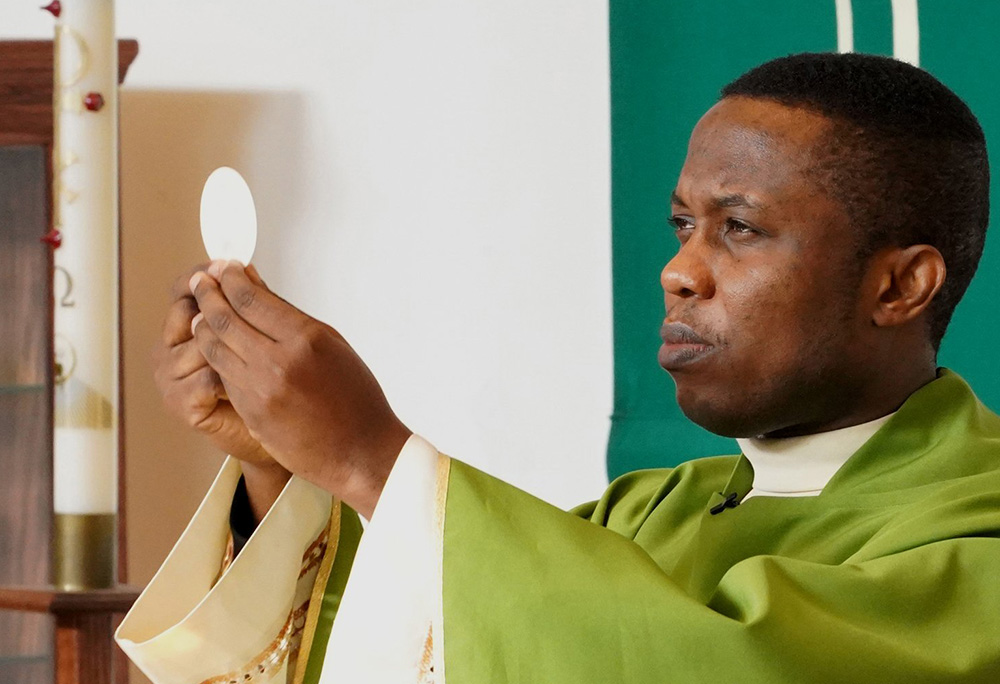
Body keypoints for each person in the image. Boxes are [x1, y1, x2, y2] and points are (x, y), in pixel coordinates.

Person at [116, 52, 1000, 683]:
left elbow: (728, 662)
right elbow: (415, 642)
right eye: (681, 225)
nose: (680, 270)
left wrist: (372, 460)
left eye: (740, 227)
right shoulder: (654, 508)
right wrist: (283, 463)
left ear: (899, 285)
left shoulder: (976, 531)